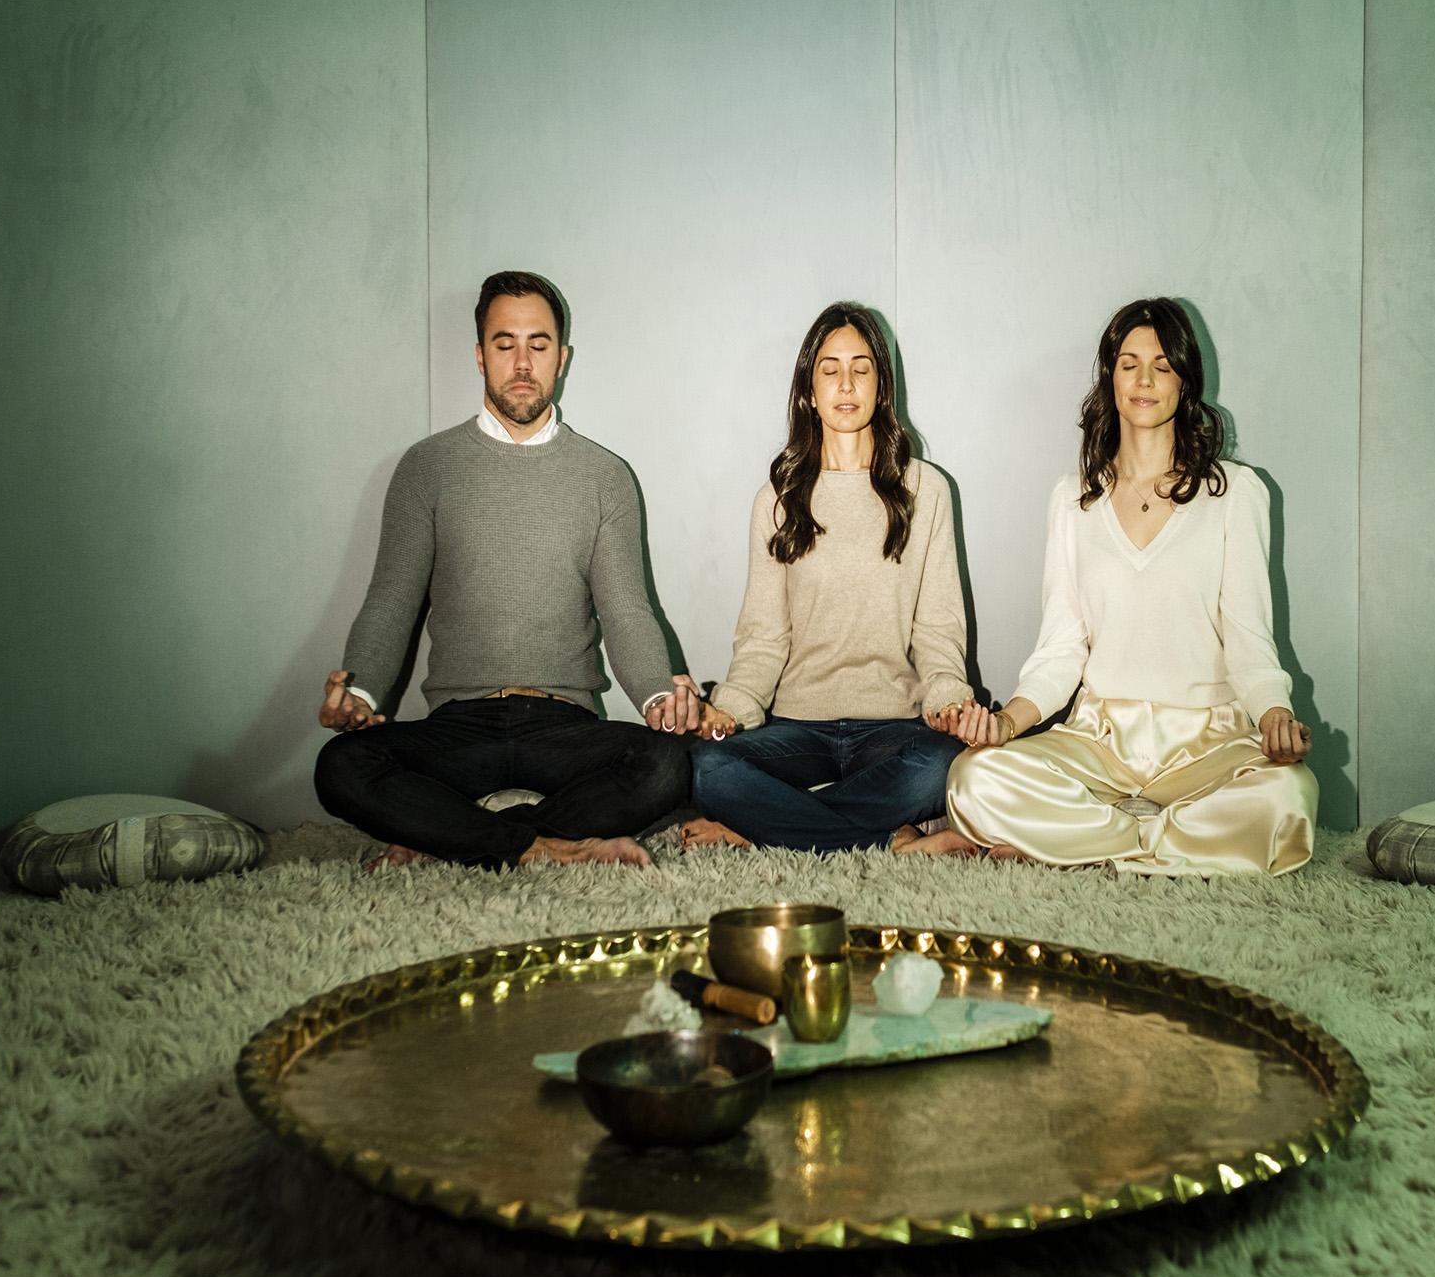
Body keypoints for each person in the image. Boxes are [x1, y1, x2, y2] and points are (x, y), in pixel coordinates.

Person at [312, 270, 709, 870]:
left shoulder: (604, 476)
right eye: (505, 344)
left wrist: (658, 694)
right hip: (458, 726)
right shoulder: (427, 468)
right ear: (479, 356)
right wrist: (360, 690)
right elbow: (392, 598)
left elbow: (626, 609)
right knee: (341, 766)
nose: (522, 362)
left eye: (538, 345)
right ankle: (547, 844)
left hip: (565, 724)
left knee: (668, 764)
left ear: (561, 357)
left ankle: (455, 834)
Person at [936, 297, 1317, 874]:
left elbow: (1248, 638)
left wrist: (1273, 716)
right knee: (971, 778)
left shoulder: (1236, 494)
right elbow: (1062, 647)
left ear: (1185, 381)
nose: (1144, 380)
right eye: (1128, 363)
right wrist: (1006, 724)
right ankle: (1163, 840)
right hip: (1100, 741)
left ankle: (1089, 840)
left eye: (1162, 366)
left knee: (1290, 795)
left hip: (1207, 743)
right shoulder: (1072, 497)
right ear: (1109, 376)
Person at [681, 303, 979, 854]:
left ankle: (761, 827)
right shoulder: (777, 498)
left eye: (862, 368)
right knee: (707, 769)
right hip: (799, 726)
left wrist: (947, 697)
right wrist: (734, 704)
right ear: (808, 390)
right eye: (829, 368)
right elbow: (764, 635)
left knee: (942, 766)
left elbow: (938, 629)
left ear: (881, 386)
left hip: (894, 726)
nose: (846, 383)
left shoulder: (925, 490)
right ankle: (889, 838)